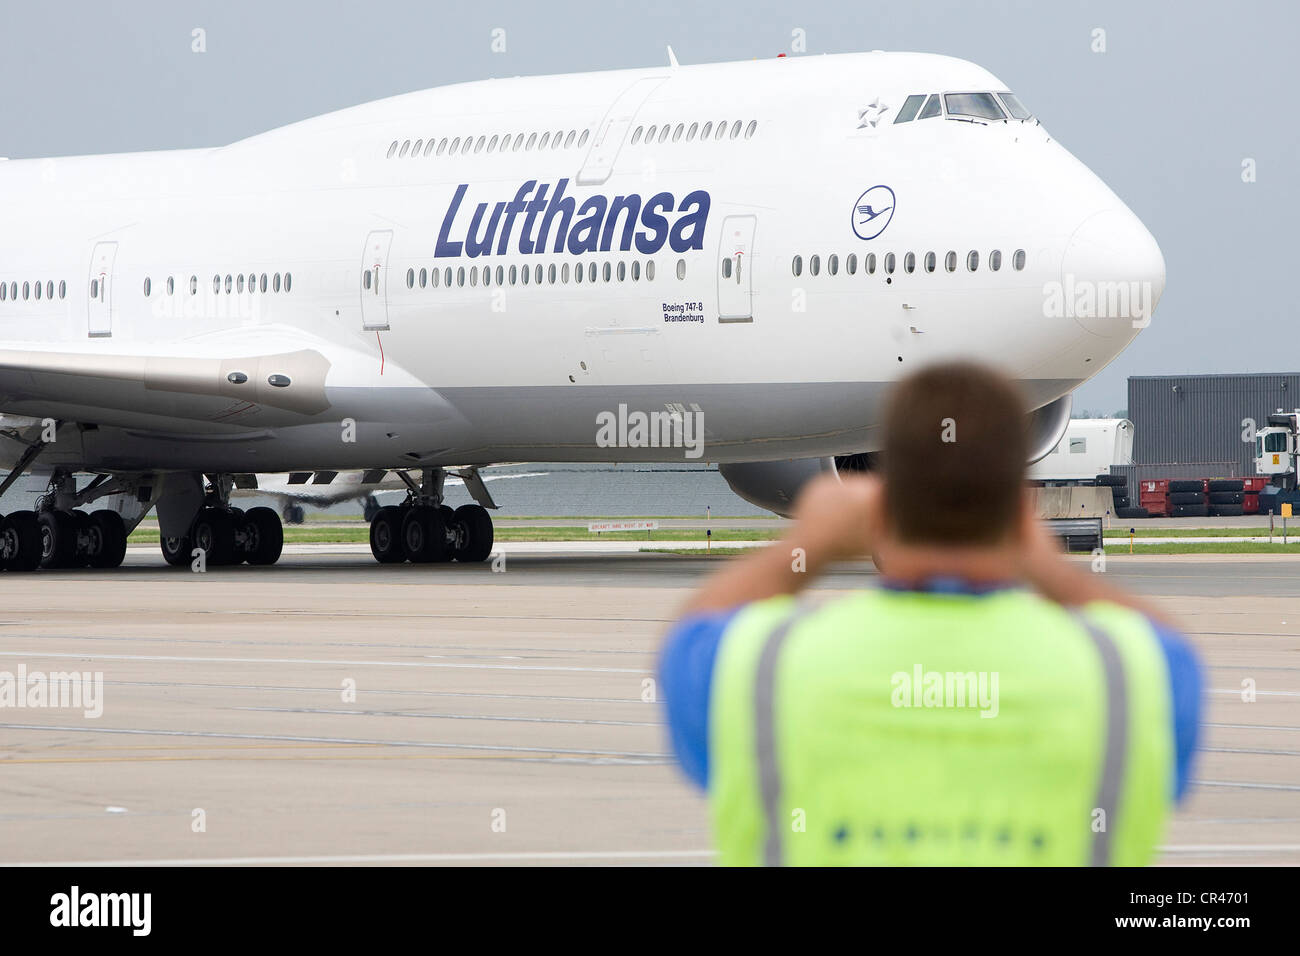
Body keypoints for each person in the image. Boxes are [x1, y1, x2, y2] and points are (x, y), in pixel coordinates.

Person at [659, 362, 1201, 866]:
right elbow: (1170, 653)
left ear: (876, 501)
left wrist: (809, 545)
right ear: (1021, 509)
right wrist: (1047, 566)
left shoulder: (763, 667)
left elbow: (688, 641)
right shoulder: (1125, 677)